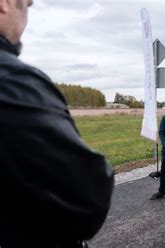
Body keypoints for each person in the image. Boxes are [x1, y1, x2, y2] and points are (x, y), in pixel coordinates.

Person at [0, 1, 114, 247]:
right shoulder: (15, 83)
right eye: (26, 3)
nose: (30, 4)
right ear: (4, 4)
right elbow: (87, 197)